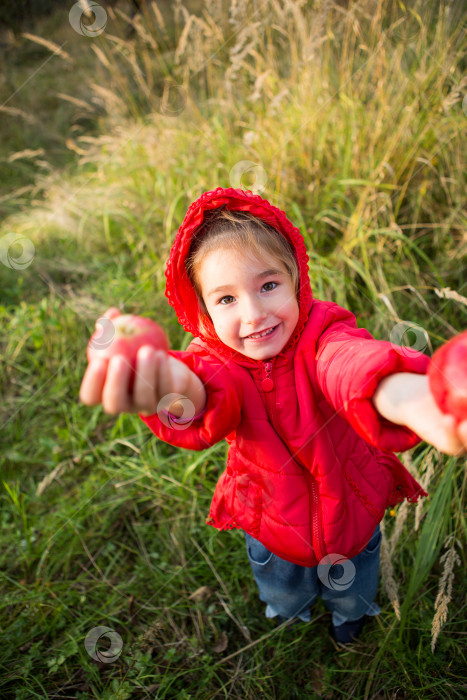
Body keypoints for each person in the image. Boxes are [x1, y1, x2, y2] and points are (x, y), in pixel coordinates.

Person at [80, 187, 467, 644]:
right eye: (226, 299)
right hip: (269, 521)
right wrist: (162, 384)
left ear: (296, 280)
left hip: (351, 513)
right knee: (282, 587)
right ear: (203, 311)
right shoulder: (217, 360)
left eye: (268, 286)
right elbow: (198, 390)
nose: (254, 313)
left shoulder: (324, 334)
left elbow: (352, 365)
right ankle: (290, 613)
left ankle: (350, 620)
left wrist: (414, 397)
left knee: (354, 585)